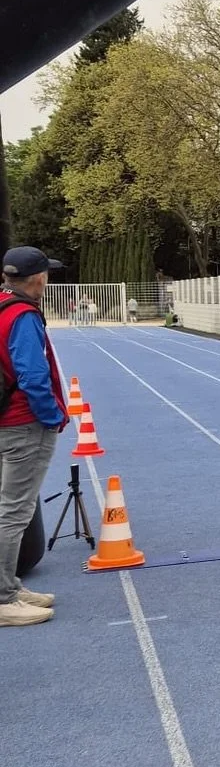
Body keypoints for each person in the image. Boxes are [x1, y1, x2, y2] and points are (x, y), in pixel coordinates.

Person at [0, 248, 69, 626]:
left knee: (6, 508)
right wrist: (52, 416)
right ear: (38, 279)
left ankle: (8, 584)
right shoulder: (23, 317)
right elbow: (32, 375)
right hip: (22, 424)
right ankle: (4, 597)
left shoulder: (0, 305)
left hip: (3, 420)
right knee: (15, 511)